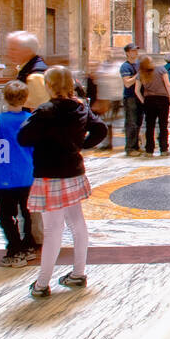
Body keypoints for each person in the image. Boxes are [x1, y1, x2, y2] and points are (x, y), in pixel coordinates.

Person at [18, 65, 107, 298]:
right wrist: (81, 145)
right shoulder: (80, 107)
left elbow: (23, 137)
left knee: (52, 230)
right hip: (73, 172)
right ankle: (78, 273)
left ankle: (42, 284)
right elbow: (100, 129)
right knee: (77, 223)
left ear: (49, 85)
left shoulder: (45, 110)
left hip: (50, 174)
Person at [0, 80, 38, 267]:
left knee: (6, 215)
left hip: (4, 175)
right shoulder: (30, 119)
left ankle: (14, 248)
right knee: (27, 211)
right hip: (27, 174)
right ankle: (28, 243)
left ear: (4, 98)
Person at [135, 56, 170, 157]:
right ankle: (164, 149)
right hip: (162, 99)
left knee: (150, 126)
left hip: (149, 100)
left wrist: (143, 101)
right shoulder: (161, 69)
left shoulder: (140, 73)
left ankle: (149, 150)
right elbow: (167, 84)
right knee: (163, 125)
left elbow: (136, 90)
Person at [5, 31, 49, 110]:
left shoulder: (35, 76)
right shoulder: (26, 68)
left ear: (28, 51)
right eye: (9, 49)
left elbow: (42, 110)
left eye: (13, 50)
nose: (9, 53)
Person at [120, 44, 143, 157]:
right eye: (133, 51)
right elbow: (127, 83)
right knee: (131, 123)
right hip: (130, 97)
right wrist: (138, 75)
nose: (136, 53)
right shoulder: (125, 66)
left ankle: (136, 146)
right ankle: (129, 148)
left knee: (138, 122)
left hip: (139, 97)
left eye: (136, 50)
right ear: (128, 53)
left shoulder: (139, 64)